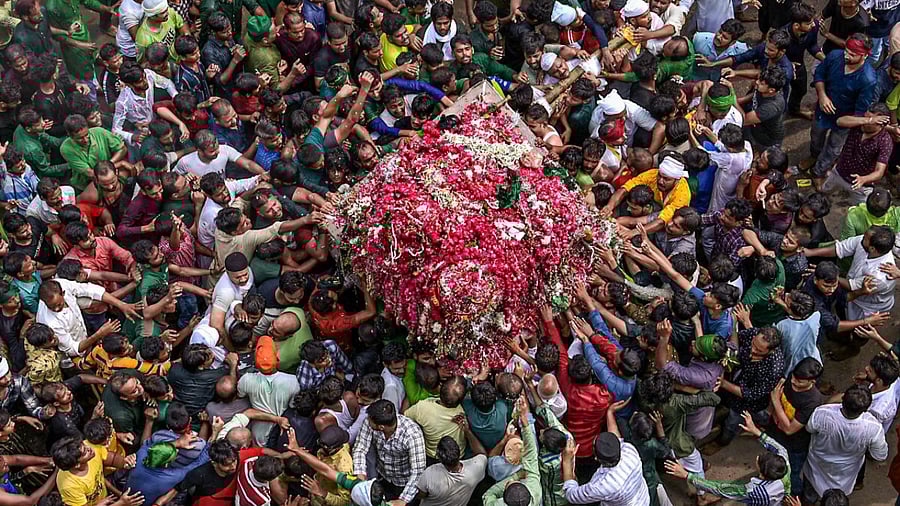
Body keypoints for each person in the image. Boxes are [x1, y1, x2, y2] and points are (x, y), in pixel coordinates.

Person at [802, 385, 888, 502]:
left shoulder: (822, 413)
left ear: (842, 399)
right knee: (836, 500)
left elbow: (809, 429)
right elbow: (880, 455)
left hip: (817, 466)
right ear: (865, 409)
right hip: (845, 474)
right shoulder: (873, 428)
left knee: (809, 495)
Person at [351, 399, 426, 503]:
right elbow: (360, 448)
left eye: (369, 420)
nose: (367, 421)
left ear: (381, 427)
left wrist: (403, 500)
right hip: (382, 476)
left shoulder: (412, 434)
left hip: (404, 483)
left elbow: (418, 471)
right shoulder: (371, 422)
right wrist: (360, 473)